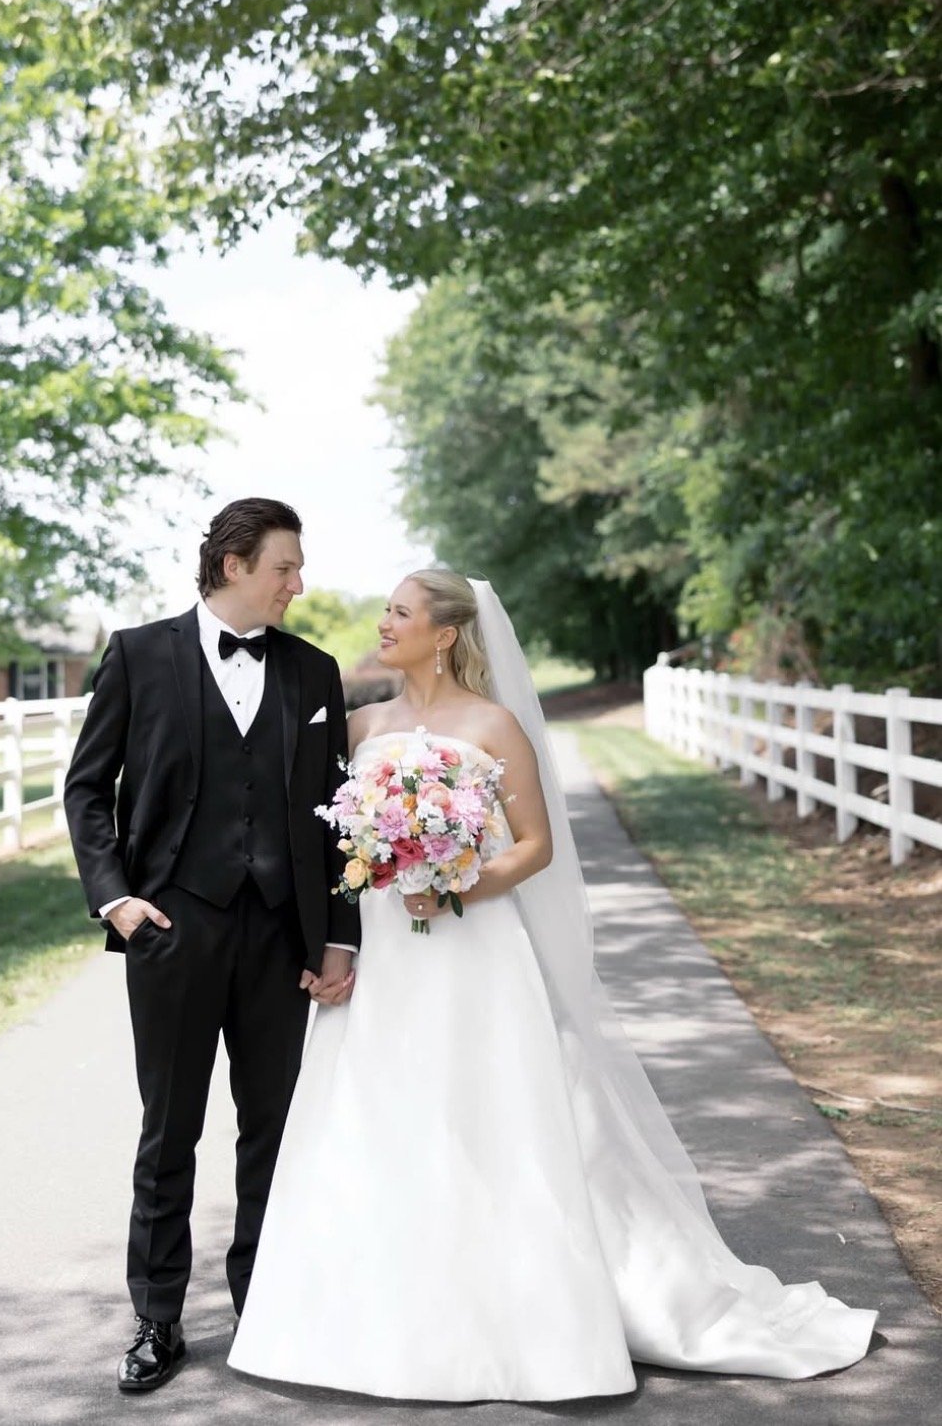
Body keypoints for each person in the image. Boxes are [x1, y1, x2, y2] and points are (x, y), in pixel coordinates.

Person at [228, 569, 878, 1402]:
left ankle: (524, 1311)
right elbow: (326, 846)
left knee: (490, 1105)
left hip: (473, 945)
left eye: (398, 611)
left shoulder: (495, 725)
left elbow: (534, 845)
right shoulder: (359, 725)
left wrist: (458, 882)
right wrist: (346, 931)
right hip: (390, 948)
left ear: (446, 633)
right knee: (380, 1106)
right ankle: (379, 1311)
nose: (382, 622)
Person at [63, 498, 359, 1395]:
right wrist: (116, 901)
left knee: (273, 1129)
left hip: (281, 936)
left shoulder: (314, 671)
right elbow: (87, 791)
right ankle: (156, 1320)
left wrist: (340, 934)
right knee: (170, 1131)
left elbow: (339, 812)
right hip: (171, 929)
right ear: (234, 564)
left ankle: (263, 1304)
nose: (297, 584)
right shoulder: (139, 654)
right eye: (285, 568)